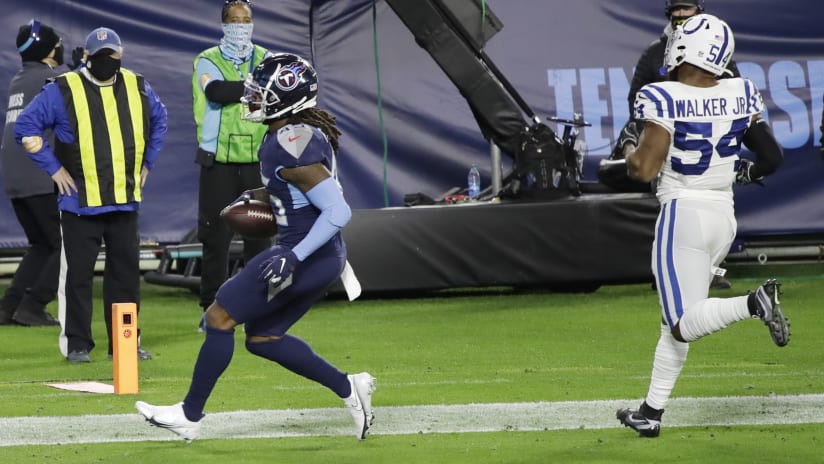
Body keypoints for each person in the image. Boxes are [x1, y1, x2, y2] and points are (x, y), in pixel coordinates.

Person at [136, 53, 375, 442]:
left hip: (306, 253)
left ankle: (189, 416)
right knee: (263, 338)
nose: (252, 98)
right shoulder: (287, 134)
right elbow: (298, 188)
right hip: (318, 254)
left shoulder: (292, 140)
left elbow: (337, 210)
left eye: (260, 92)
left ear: (287, 96)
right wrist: (261, 194)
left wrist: (292, 256)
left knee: (219, 316)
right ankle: (350, 387)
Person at [614, 14, 788, 438]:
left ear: (684, 46)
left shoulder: (662, 95)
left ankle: (754, 303)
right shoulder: (740, 90)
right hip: (722, 218)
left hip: (683, 214)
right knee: (673, 320)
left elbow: (644, 168)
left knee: (680, 320)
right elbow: (771, 158)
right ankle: (651, 412)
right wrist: (738, 174)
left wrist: (629, 146)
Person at [14, 27, 168, 362]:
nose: (106, 63)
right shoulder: (63, 89)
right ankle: (78, 344)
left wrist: (148, 164)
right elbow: (25, 127)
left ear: (120, 54)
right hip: (79, 204)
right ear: (87, 56)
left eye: (110, 56)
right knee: (77, 279)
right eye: (99, 57)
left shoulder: (137, 85)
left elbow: (160, 121)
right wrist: (54, 169)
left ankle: (125, 343)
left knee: (126, 278)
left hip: (125, 201)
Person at [609, 0, 739, 289]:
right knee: (668, 201)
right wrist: (653, 132)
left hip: (708, 143)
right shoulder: (655, 52)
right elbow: (636, 101)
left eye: (686, 8)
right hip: (668, 145)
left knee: (714, 199)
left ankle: (711, 268)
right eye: (677, 9)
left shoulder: (718, 51)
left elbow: (734, 96)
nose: (681, 14)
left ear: (698, 11)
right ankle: (669, 267)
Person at [193, 0, 272, 331]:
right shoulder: (206, 60)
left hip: (255, 161)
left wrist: (255, 88)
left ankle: (254, 307)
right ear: (224, 25)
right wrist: (254, 87)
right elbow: (215, 90)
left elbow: (273, 95)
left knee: (259, 238)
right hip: (218, 163)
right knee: (216, 238)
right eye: (235, 21)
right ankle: (212, 308)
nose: (241, 26)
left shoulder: (265, 58)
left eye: (247, 20)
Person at [0, 20, 65, 326]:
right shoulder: (53, 78)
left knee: (42, 244)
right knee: (64, 245)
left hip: (14, 176)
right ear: (49, 51)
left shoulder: (18, 80)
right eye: (58, 43)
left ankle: (9, 306)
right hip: (38, 173)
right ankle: (33, 305)